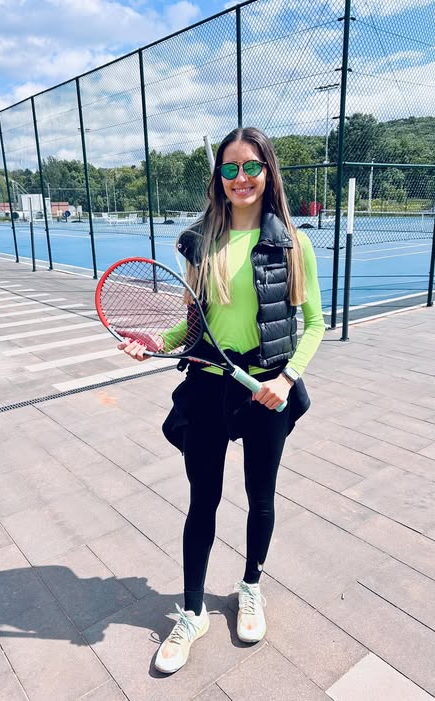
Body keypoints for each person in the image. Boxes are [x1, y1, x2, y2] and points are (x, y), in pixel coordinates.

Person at [118, 127, 325, 674]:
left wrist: (287, 379)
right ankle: (192, 613)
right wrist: (153, 343)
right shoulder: (199, 241)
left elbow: (314, 324)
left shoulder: (293, 242)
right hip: (208, 386)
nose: (240, 178)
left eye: (250, 166)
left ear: (267, 172)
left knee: (261, 497)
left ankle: (250, 586)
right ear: (219, 177)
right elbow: (194, 325)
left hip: (266, 391)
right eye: (229, 168)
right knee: (202, 501)